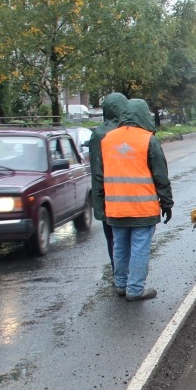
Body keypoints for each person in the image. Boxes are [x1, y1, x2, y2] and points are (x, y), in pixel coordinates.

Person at [97, 98, 173, 302]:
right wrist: (167, 203)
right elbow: (161, 176)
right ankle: (136, 289)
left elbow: (102, 173)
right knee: (139, 248)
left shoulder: (107, 140)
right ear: (143, 115)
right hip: (142, 208)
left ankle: (121, 285)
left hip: (115, 208)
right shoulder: (148, 140)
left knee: (120, 247)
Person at [90, 93, 130, 268]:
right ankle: (125, 277)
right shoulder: (127, 132)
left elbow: (97, 172)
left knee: (113, 240)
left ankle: (118, 274)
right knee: (128, 239)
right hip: (127, 197)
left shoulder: (98, 134)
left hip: (106, 198)